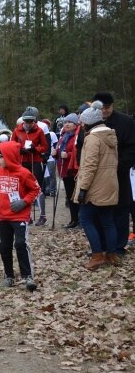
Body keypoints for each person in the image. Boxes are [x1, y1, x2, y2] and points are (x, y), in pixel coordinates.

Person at [0, 141, 41, 290]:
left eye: (0, 157)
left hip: (20, 216)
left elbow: (35, 190)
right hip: (4, 216)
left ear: (9, 157)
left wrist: (24, 202)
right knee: (4, 247)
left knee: (21, 244)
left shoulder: (24, 173)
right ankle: (9, 276)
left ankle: (27, 276)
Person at [74, 101, 120, 269]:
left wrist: (83, 189)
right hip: (109, 185)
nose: (82, 125)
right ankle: (112, 254)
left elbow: (89, 166)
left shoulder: (93, 139)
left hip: (95, 187)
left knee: (85, 219)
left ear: (90, 122)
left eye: (83, 122)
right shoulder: (110, 136)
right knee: (108, 221)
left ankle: (97, 255)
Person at [93, 92, 135, 255]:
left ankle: (118, 246)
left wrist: (119, 165)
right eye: (101, 108)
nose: (104, 111)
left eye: (107, 108)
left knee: (120, 210)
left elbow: (132, 148)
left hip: (119, 172)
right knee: (100, 209)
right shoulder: (92, 122)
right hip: (99, 176)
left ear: (112, 106)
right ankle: (102, 244)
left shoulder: (126, 122)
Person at [10, 107, 49, 225]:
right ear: (23, 121)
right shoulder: (17, 130)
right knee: (23, 188)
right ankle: (27, 215)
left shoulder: (39, 131)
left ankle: (42, 215)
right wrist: (18, 149)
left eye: (31, 121)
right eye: (26, 121)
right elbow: (12, 144)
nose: (28, 124)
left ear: (34, 121)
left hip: (35, 161)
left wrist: (35, 149)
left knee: (36, 187)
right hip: (22, 161)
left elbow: (44, 147)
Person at [56, 114, 81, 228]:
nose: (67, 124)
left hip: (73, 171)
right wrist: (56, 153)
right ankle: (73, 219)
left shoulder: (77, 136)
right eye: (66, 122)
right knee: (69, 196)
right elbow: (60, 149)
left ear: (76, 125)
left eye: (70, 122)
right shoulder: (63, 136)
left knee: (75, 196)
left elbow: (79, 152)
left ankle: (79, 220)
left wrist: (68, 155)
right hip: (64, 170)